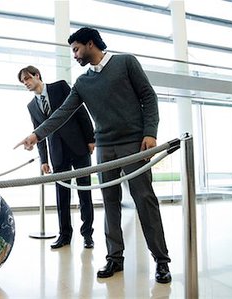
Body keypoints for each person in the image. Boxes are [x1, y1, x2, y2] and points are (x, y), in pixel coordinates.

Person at [15, 27, 172, 284]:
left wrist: (150, 132)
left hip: (135, 143)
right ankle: (114, 257)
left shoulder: (125, 62)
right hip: (106, 147)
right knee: (110, 201)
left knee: (144, 199)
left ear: (90, 44)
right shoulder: (82, 82)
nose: (74, 55)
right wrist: (36, 136)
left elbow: (148, 96)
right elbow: (61, 114)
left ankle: (162, 261)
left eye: (76, 49)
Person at [17, 65, 96, 249]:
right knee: (61, 196)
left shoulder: (60, 87)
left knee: (85, 191)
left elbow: (80, 111)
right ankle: (65, 235)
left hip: (79, 146)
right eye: (23, 82)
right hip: (57, 152)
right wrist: (44, 159)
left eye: (27, 79)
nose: (26, 83)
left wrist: (90, 138)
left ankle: (87, 235)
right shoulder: (31, 106)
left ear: (37, 75)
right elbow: (39, 133)